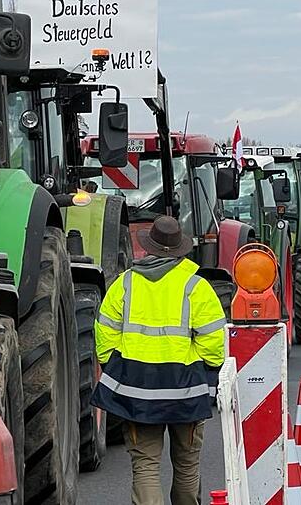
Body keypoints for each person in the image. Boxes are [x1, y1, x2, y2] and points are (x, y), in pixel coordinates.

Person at [92, 215, 226, 505]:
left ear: (149, 247)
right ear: (181, 249)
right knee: (187, 466)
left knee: (145, 467)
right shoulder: (197, 287)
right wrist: (205, 373)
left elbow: (104, 333)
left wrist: (116, 369)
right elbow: (214, 343)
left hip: (136, 392)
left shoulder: (125, 284)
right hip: (186, 390)